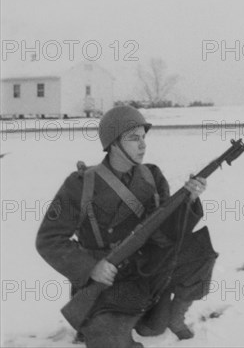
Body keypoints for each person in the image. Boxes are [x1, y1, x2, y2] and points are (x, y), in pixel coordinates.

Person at [36, 105, 218, 348]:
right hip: (109, 284)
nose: (143, 145)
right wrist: (92, 268)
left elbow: (166, 234)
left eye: (143, 137)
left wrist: (190, 199)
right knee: (110, 342)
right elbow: (49, 240)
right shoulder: (81, 184)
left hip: (146, 271)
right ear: (113, 143)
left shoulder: (152, 176)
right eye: (134, 138)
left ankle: (174, 316)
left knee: (199, 253)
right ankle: (100, 321)